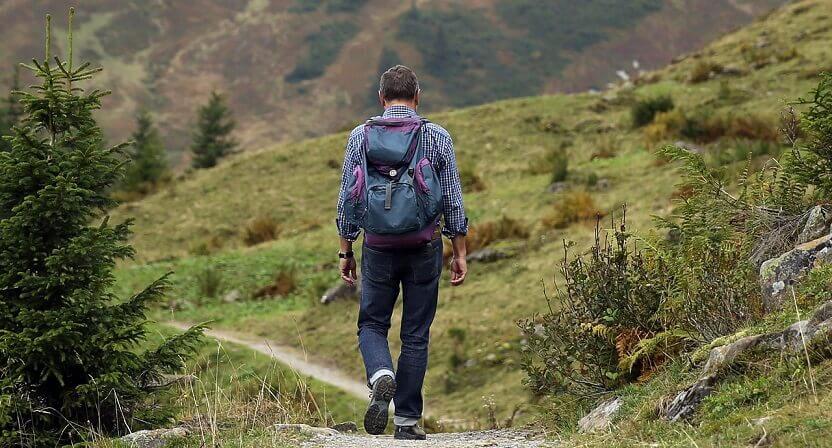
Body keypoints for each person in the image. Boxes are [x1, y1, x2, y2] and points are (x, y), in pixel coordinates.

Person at [335, 65, 468, 440]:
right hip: (424, 245)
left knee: (372, 324)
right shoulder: (436, 136)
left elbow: (347, 199)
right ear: (417, 97)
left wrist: (346, 251)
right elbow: (453, 201)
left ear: (381, 98)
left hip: (378, 246)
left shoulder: (360, 137)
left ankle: (381, 373)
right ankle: (407, 421)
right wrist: (459, 251)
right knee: (416, 335)